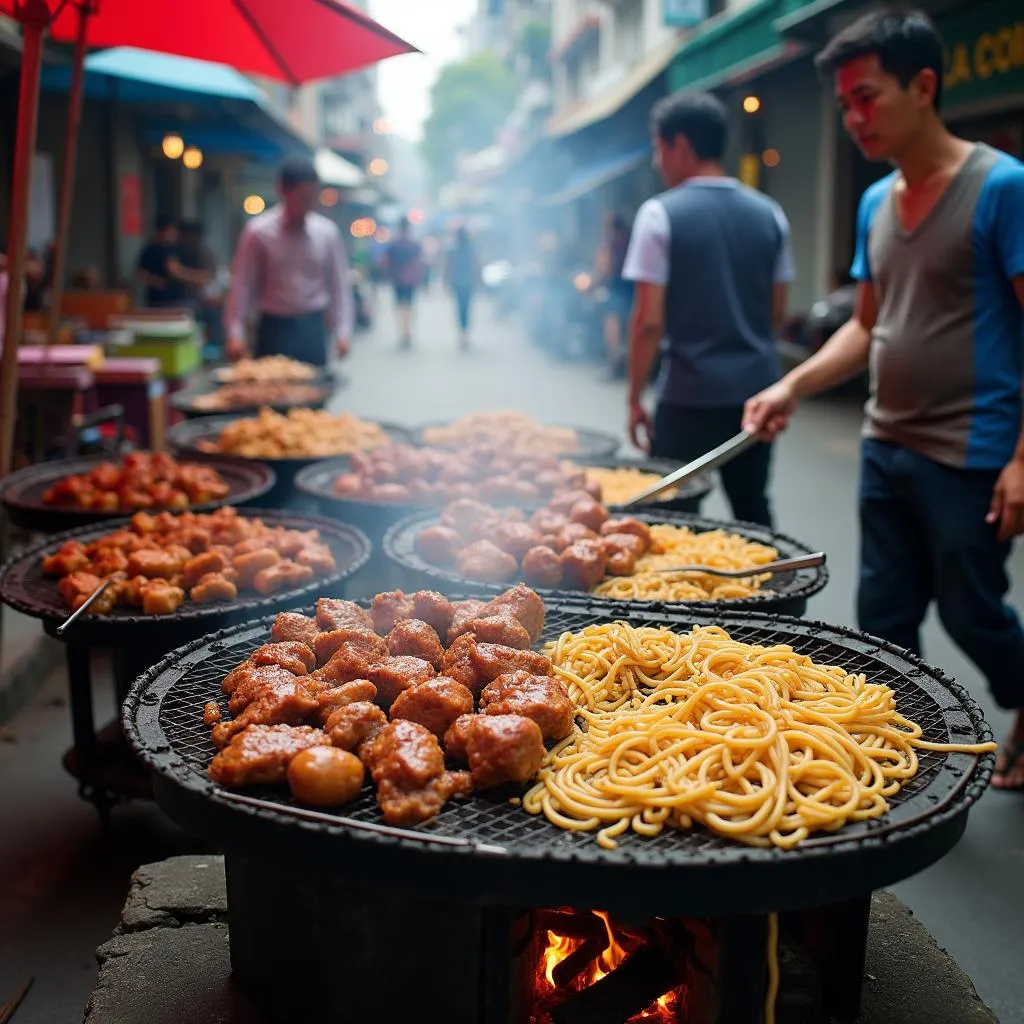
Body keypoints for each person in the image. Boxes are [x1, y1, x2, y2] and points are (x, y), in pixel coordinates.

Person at [741, 10, 1024, 789]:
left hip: (971, 450)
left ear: (924, 86)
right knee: (886, 620)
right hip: (885, 444)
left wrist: (1023, 461)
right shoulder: (873, 205)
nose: (854, 117)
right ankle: (910, 756)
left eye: (867, 97)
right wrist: (789, 384)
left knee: (974, 613)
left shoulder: (1001, 188)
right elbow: (868, 328)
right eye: (844, 105)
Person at [622, 91, 794, 527]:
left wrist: (634, 398)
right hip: (755, 396)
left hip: (686, 397)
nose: (659, 162)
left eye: (660, 149)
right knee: (753, 511)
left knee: (670, 517)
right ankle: (769, 593)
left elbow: (648, 322)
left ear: (679, 144)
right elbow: (776, 312)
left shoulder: (659, 215)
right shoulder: (771, 214)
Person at [225, 157, 352, 367]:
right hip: (273, 328)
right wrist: (234, 334)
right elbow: (243, 285)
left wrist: (343, 332)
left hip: (313, 327)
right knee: (271, 394)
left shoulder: (327, 233)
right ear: (282, 191)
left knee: (314, 392)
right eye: (302, 198)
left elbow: (339, 286)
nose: (308, 205)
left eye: (312, 197)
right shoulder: (258, 233)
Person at [595, 212, 632, 380]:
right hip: (633, 289)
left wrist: (595, 281)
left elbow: (603, 268)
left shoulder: (608, 243)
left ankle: (613, 363)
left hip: (616, 288)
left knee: (612, 326)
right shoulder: (630, 241)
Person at [136, 216, 190, 308]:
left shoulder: (178, 249)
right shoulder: (150, 250)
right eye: (170, 230)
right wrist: (156, 281)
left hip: (180, 298)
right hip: (159, 300)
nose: (174, 233)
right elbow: (141, 274)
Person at [386, 217, 423, 350]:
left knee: (400, 306)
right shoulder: (414, 244)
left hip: (397, 279)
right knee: (408, 305)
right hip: (410, 279)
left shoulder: (394, 243)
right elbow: (419, 262)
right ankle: (407, 331)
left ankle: (403, 331)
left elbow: (387, 262)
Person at [445, 226, 479, 350]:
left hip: (457, 283)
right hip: (468, 282)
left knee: (460, 308)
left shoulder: (453, 250)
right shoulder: (471, 250)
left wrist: (446, 282)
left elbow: (448, 267)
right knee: (467, 308)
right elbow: (476, 265)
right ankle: (465, 333)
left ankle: (462, 334)